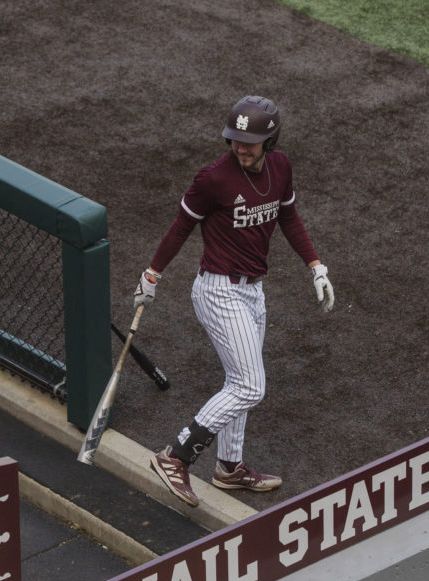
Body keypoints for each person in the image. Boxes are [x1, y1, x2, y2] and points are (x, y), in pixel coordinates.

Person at [134, 94, 335, 507]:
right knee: (249, 385)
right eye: (234, 139)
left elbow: (288, 217)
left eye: (250, 141)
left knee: (239, 382)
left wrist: (315, 265)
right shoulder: (213, 179)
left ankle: (229, 467)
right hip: (218, 290)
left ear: (271, 141)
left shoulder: (280, 168)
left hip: (252, 291)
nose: (240, 147)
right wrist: (152, 274)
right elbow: (179, 228)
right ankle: (175, 456)